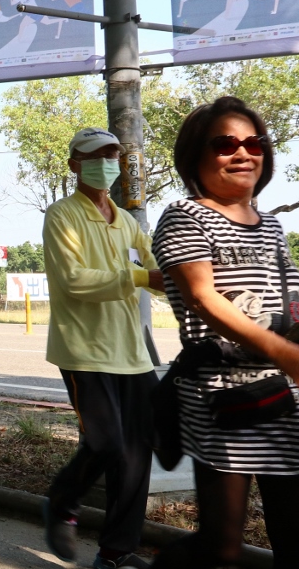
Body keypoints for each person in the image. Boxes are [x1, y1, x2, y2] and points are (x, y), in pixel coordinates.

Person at [151, 98, 299, 569]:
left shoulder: (272, 226)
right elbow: (202, 299)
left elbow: (291, 302)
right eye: (225, 144)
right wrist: (283, 351)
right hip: (221, 394)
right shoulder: (183, 216)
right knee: (222, 546)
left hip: (284, 393)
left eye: (254, 142)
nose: (243, 152)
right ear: (196, 156)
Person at [40, 128, 165, 569]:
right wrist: (142, 278)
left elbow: (156, 269)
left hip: (132, 353)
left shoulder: (127, 221)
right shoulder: (62, 216)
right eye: (96, 155)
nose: (107, 162)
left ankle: (116, 553)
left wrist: (185, 282)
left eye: (113, 154)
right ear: (75, 164)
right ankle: (61, 502)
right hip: (83, 350)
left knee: (136, 455)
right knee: (108, 443)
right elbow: (74, 281)